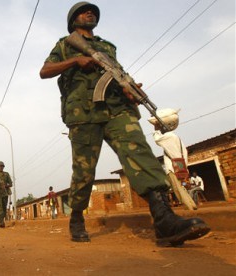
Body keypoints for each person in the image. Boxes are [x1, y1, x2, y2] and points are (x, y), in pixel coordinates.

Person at [39, 2, 209, 246]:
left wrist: (129, 90)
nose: (91, 13)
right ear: (73, 19)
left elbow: (115, 74)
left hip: (118, 111)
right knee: (84, 171)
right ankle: (76, 217)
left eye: (94, 12)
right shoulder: (65, 45)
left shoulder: (107, 47)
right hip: (83, 114)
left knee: (141, 155)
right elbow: (45, 71)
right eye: (85, 11)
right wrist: (76, 61)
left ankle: (164, 220)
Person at [148, 108, 197, 210]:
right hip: (180, 166)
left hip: (173, 167)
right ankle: (191, 205)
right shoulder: (175, 137)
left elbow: (157, 139)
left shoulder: (169, 136)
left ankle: (190, 207)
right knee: (181, 187)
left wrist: (156, 128)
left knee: (178, 188)